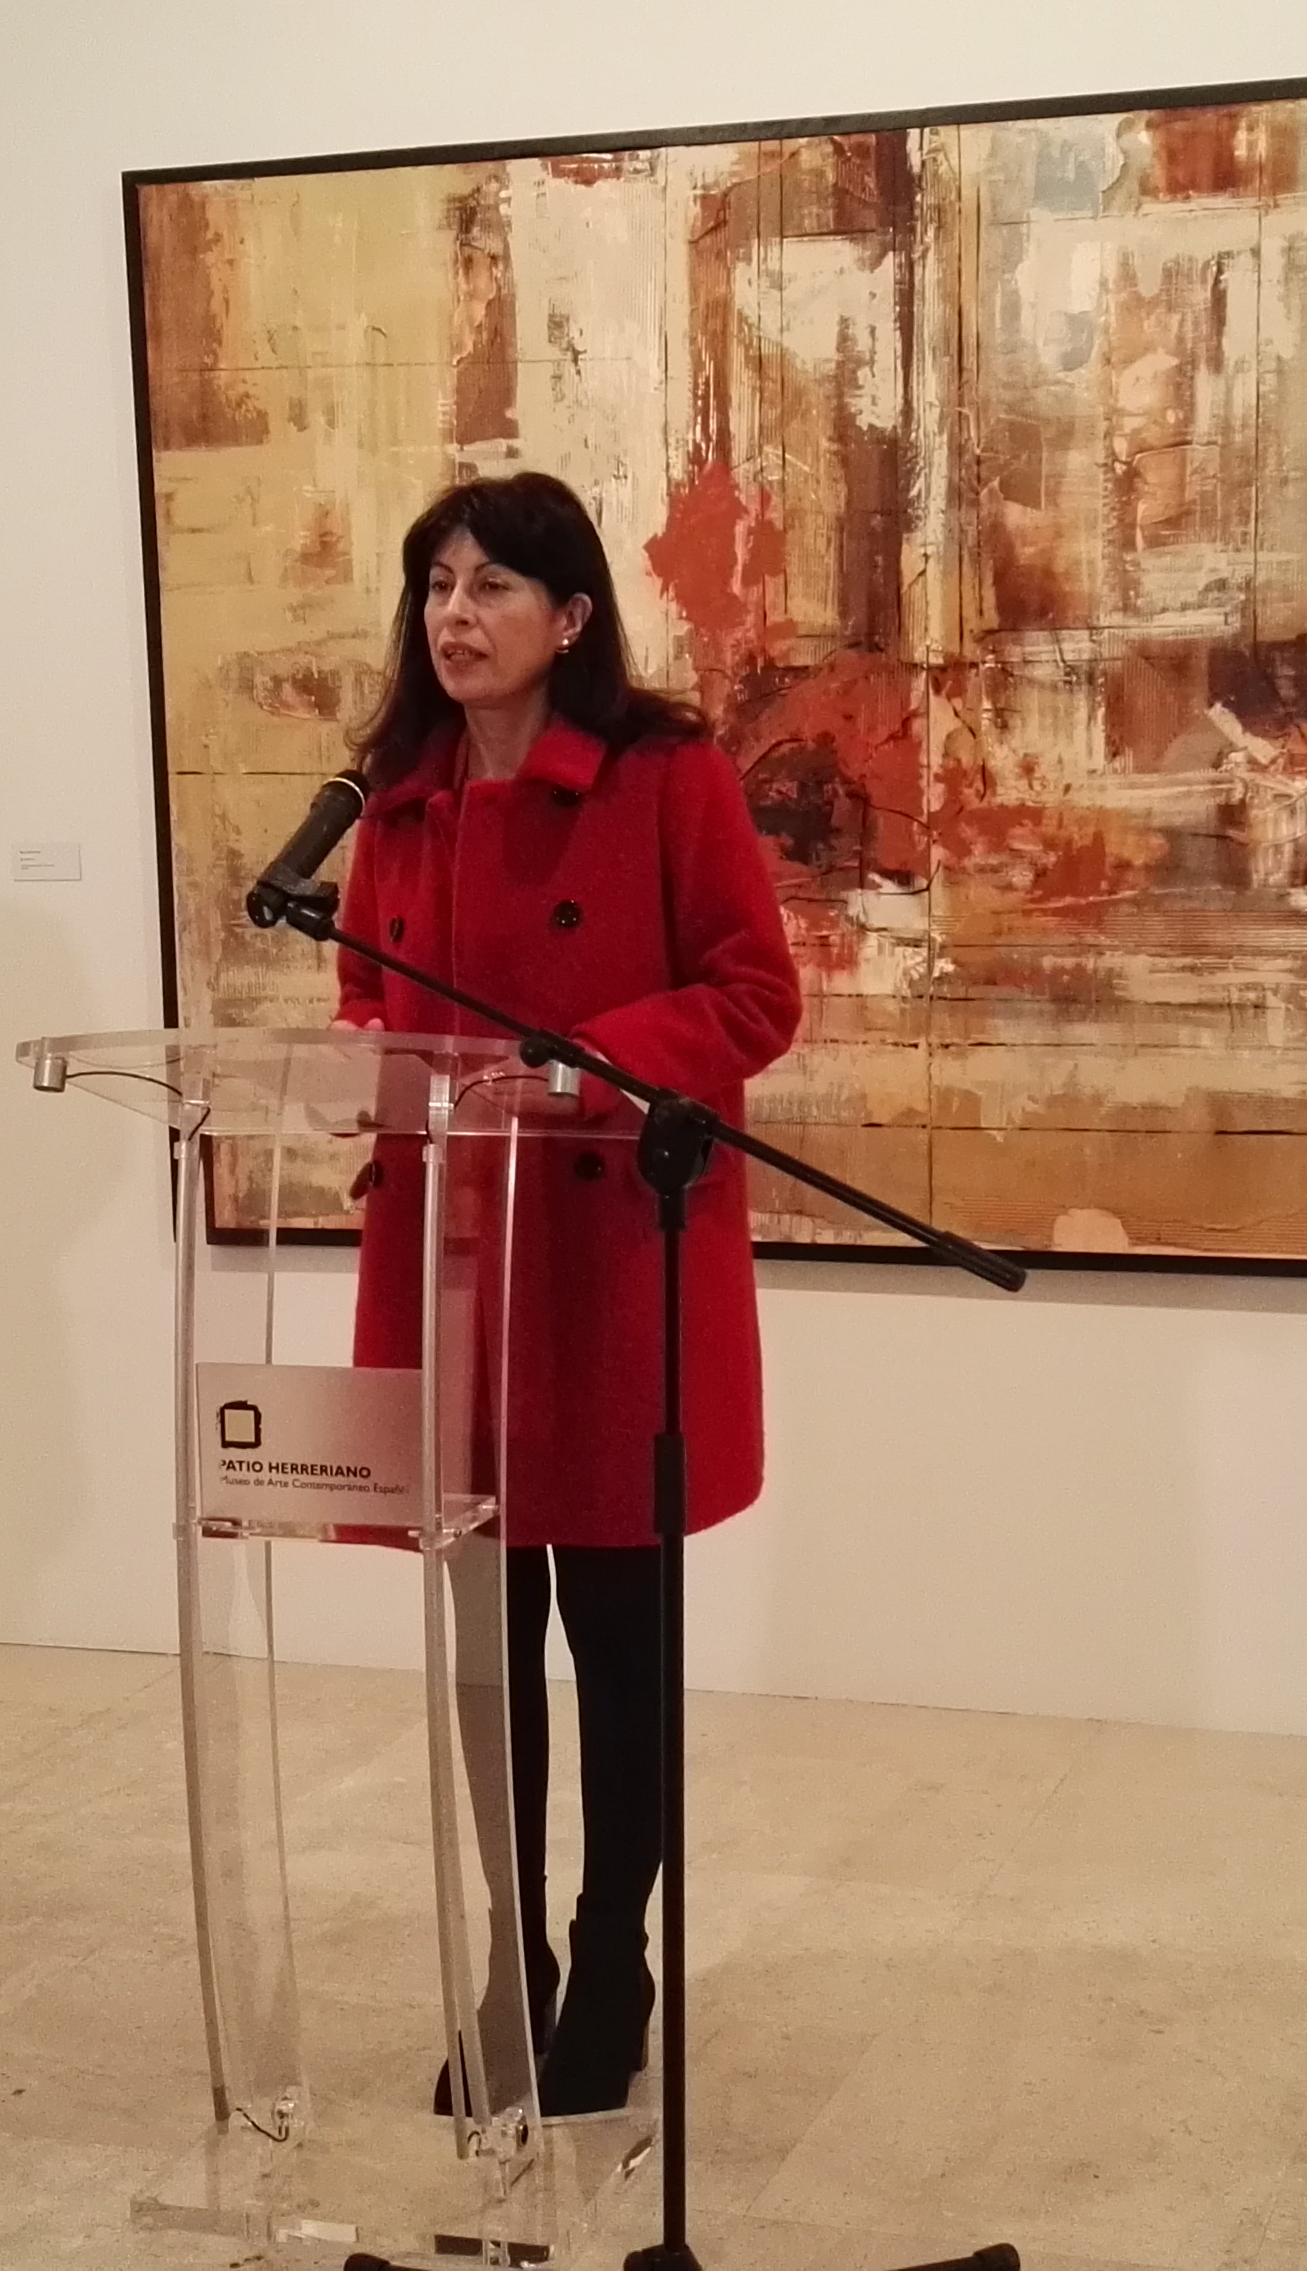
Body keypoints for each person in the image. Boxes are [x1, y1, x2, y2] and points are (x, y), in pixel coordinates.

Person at [329, 473, 803, 2114]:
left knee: (617, 1638)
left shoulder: (668, 779)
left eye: (493, 587)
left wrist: (583, 1068)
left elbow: (753, 994)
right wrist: (355, 1072)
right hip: (454, 1267)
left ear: (573, 616)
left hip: (612, 1271)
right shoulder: (397, 798)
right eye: (437, 586)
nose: (455, 617)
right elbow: (366, 999)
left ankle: (614, 1951)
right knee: (482, 1652)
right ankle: (507, 1954)